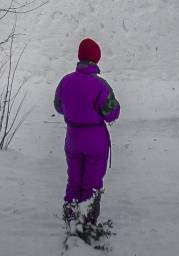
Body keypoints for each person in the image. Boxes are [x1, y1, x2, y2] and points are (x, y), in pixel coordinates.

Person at [54, 38, 120, 223]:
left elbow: (58, 106)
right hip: (95, 141)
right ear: (96, 59)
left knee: (74, 178)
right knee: (91, 181)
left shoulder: (65, 81)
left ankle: (70, 216)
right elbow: (111, 112)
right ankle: (87, 223)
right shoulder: (100, 85)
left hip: (72, 139)